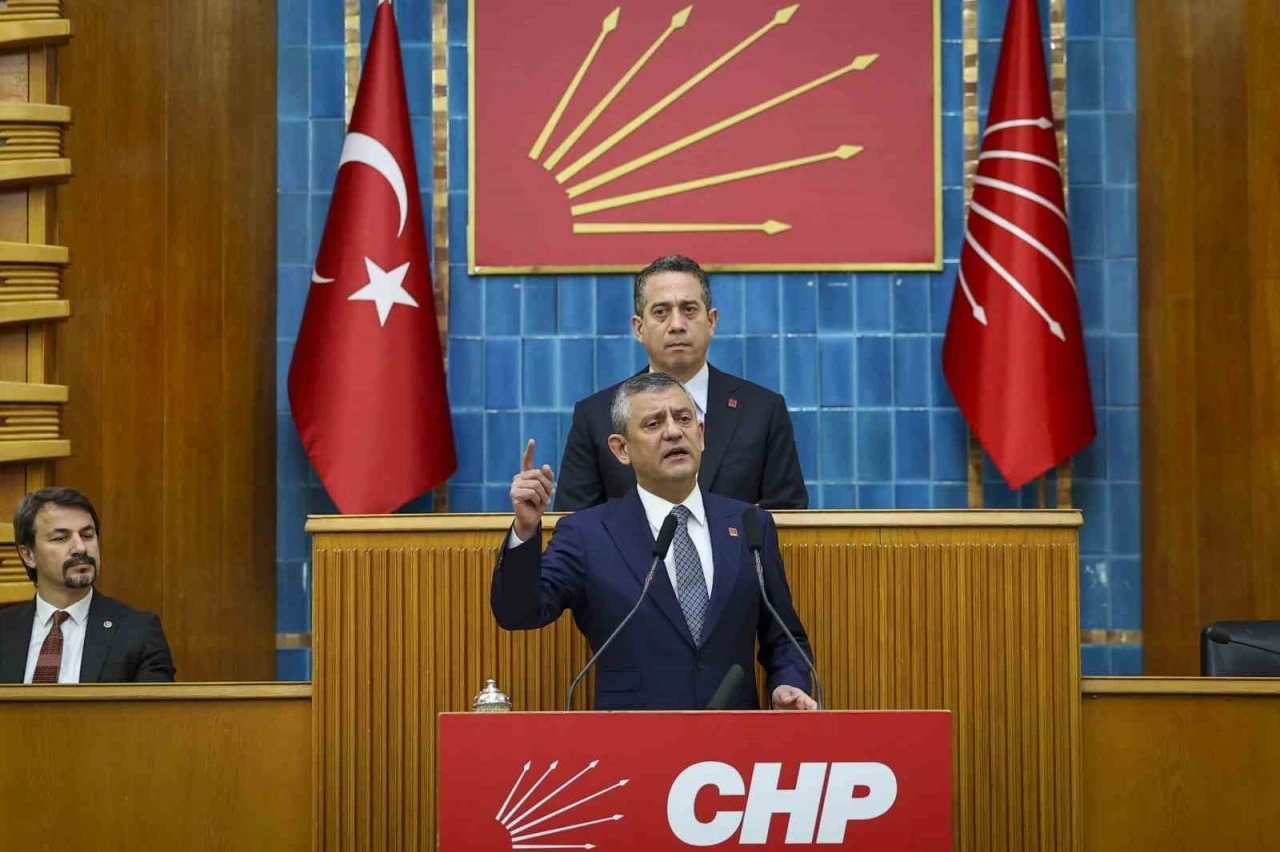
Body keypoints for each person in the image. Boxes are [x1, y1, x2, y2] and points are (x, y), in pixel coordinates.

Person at [493, 372, 817, 711]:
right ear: (621, 449)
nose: (673, 432)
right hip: (634, 736)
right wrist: (526, 529)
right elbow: (519, 613)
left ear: (701, 434)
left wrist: (788, 684)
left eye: (684, 419)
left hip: (732, 735)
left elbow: (784, 638)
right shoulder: (587, 533)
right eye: (653, 423)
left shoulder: (749, 524)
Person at [555, 254, 808, 511]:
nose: (676, 325)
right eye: (661, 312)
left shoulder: (763, 410)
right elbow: (573, 522)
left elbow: (790, 515)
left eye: (689, 310)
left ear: (711, 321)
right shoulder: (596, 416)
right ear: (639, 328)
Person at [0, 488, 176, 683]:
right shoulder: (4, 630)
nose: (80, 548)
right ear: (28, 555)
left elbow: (153, 703)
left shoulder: (139, 632)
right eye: (60, 538)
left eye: (87, 535)